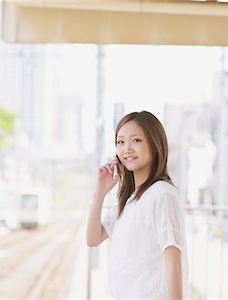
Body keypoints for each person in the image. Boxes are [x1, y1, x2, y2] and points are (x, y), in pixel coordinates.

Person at [86, 111, 188, 300]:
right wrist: (99, 193)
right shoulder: (128, 200)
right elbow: (93, 238)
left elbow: (174, 264)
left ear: (155, 144)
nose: (127, 149)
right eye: (120, 142)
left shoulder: (162, 194)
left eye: (136, 140)